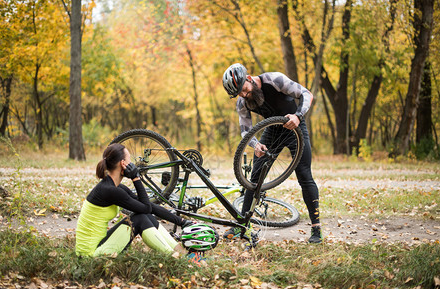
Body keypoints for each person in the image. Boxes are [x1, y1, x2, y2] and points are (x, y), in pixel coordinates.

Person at [222, 63, 322, 244]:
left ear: (249, 79)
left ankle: (316, 228)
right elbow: (246, 131)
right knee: (254, 180)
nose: (245, 95)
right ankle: (242, 225)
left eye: (244, 89)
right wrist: (256, 145)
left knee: (304, 175)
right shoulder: (242, 101)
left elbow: (306, 94)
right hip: (271, 132)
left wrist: (298, 116)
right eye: (240, 94)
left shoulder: (274, 80)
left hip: (295, 128)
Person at [75, 143, 198, 258]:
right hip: (90, 253)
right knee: (139, 218)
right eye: (129, 160)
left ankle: (181, 253)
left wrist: (182, 222)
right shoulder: (109, 190)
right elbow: (146, 208)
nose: (133, 164)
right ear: (123, 163)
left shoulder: (114, 187)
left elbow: (148, 206)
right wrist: (135, 178)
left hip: (97, 245)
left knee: (143, 215)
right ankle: (175, 257)